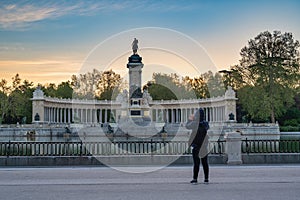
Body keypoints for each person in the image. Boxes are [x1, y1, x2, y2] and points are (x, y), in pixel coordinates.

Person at [186, 108, 209, 184]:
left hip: (196, 145)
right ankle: (206, 178)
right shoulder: (205, 123)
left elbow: (187, 126)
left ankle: (195, 178)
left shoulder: (194, 123)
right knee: (205, 163)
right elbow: (207, 128)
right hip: (204, 145)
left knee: (196, 163)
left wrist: (190, 119)